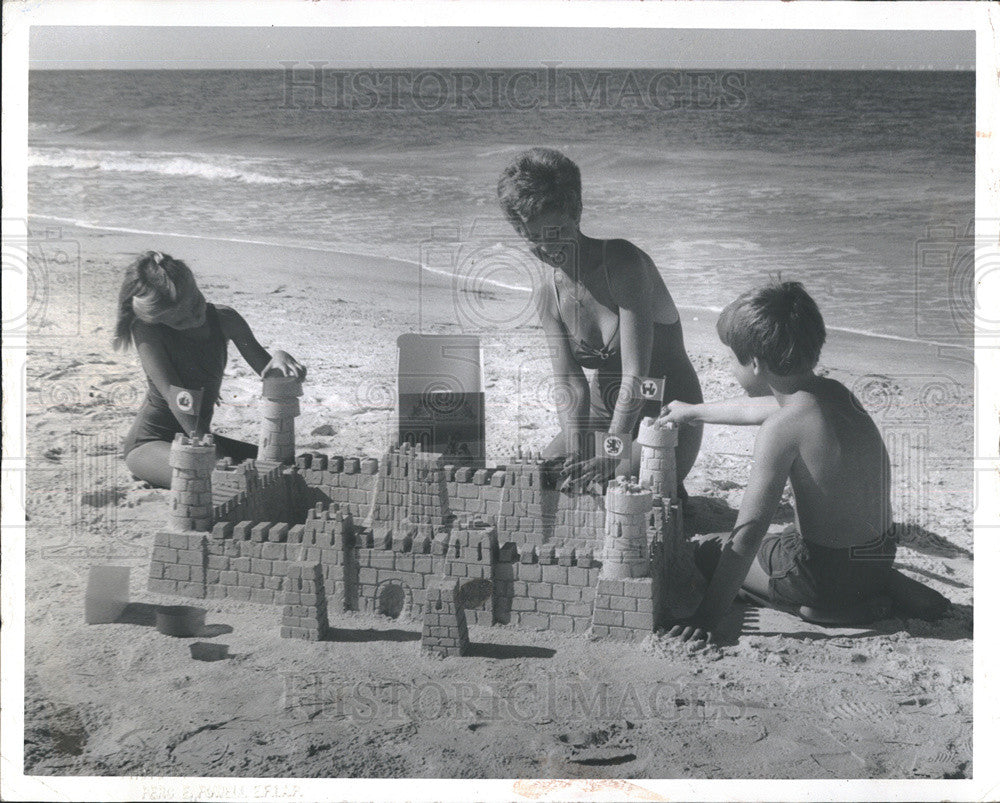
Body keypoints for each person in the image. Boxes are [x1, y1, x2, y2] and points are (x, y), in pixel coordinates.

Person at [658, 281, 947, 643]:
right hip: (877, 556)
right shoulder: (835, 394)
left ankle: (827, 609)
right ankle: (879, 587)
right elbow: (754, 408)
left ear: (756, 363)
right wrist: (693, 412)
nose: (729, 366)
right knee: (798, 539)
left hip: (820, 576)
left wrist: (707, 616)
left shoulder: (782, 428)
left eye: (732, 358)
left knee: (706, 549)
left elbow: (747, 535)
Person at [497, 148, 703, 493]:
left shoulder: (623, 264)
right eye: (533, 237)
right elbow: (570, 384)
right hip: (604, 413)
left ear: (576, 212)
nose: (548, 247)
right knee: (545, 482)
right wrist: (578, 450)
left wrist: (611, 450)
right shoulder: (548, 295)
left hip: (667, 412)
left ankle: (659, 481)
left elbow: (636, 375)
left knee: (614, 487)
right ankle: (633, 469)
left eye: (557, 230)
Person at [115, 251, 306, 488]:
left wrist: (280, 359)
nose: (194, 319)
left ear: (197, 287)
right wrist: (212, 452)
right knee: (219, 481)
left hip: (200, 437)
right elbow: (176, 396)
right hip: (151, 444)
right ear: (159, 321)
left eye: (196, 305)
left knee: (282, 470)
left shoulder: (226, 319)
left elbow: (271, 375)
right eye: (180, 322)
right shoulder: (148, 331)